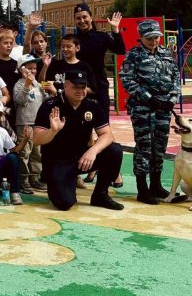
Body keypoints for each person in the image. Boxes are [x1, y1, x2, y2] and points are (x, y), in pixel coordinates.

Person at [33, 70, 124, 211]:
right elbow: (37, 139)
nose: (80, 91)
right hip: (58, 160)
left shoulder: (92, 106)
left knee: (114, 150)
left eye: (83, 87)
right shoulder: (50, 105)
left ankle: (101, 195)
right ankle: (64, 185)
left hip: (82, 158)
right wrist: (53, 131)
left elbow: (107, 135)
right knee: (65, 203)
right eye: (75, 87)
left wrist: (93, 151)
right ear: (65, 85)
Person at [119, 19, 181, 205]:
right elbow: (127, 79)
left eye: (156, 37)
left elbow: (176, 78)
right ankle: (142, 189)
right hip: (142, 108)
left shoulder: (166, 54)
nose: (154, 41)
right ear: (141, 38)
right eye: (150, 38)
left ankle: (156, 185)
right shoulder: (134, 55)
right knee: (144, 146)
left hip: (163, 108)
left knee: (160, 146)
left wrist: (171, 99)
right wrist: (148, 97)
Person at [73, 4, 125, 118]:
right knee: (80, 126)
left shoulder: (102, 36)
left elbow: (120, 50)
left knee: (103, 124)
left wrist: (116, 30)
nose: (82, 21)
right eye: (78, 18)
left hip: (99, 86)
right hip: (79, 86)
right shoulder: (73, 39)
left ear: (91, 18)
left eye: (84, 17)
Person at [13, 54, 46, 193]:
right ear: (21, 70)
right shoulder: (19, 84)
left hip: (37, 123)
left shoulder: (37, 84)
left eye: (34, 68)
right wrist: (27, 83)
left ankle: (35, 178)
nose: (32, 71)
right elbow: (20, 99)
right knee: (25, 152)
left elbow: (44, 100)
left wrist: (50, 92)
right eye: (29, 68)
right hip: (24, 123)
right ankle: (23, 180)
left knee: (36, 152)